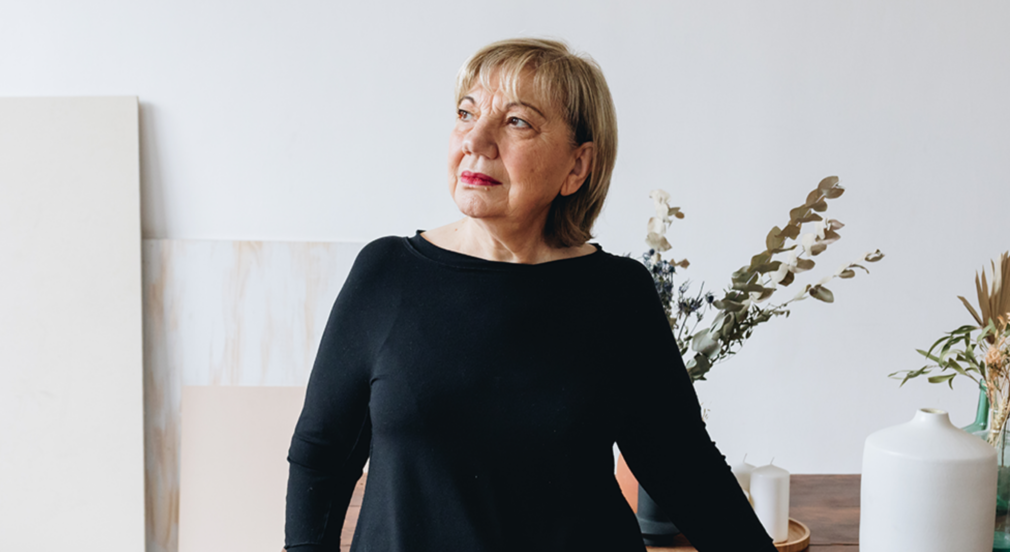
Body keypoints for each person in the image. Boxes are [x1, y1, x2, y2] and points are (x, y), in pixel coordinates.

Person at [283, 38, 777, 552]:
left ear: (577, 166)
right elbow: (322, 454)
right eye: (466, 113)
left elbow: (686, 469)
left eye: (517, 122)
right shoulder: (387, 273)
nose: (476, 140)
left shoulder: (617, 294)